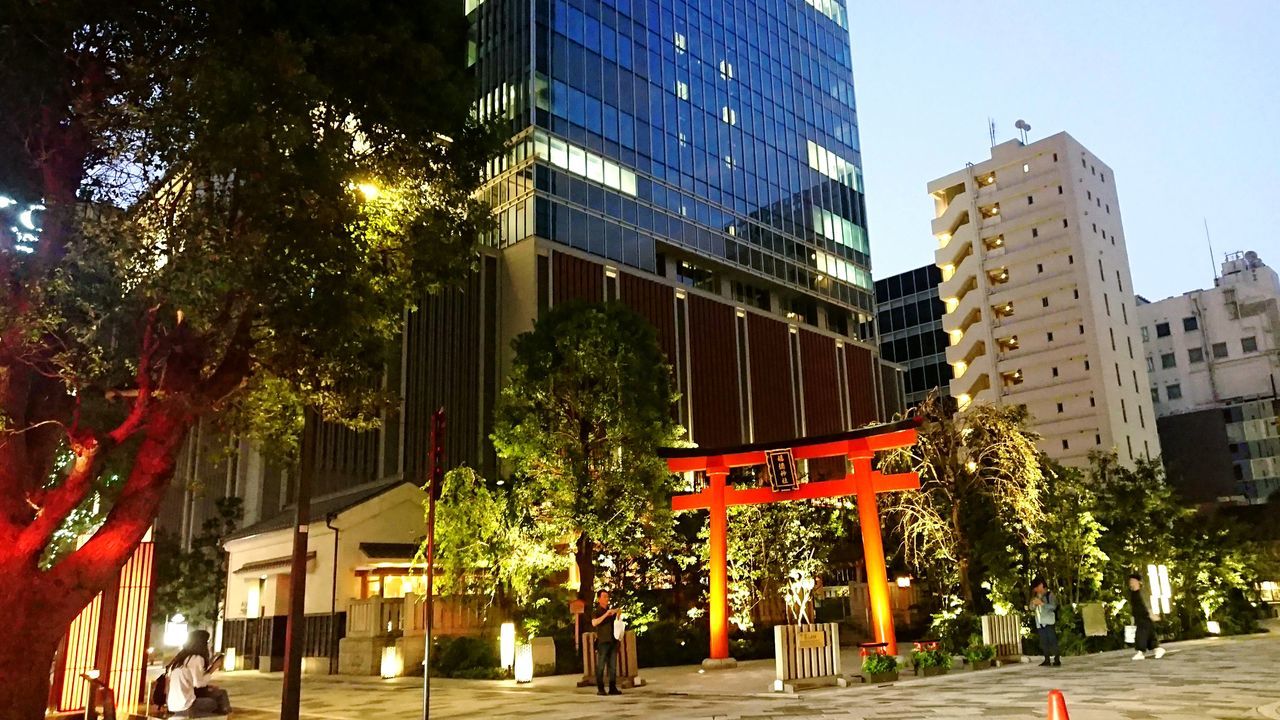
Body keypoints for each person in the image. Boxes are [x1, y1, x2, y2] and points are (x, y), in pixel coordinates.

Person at [165, 630, 232, 717]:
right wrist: (213, 668)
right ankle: (225, 716)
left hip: (173, 701)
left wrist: (208, 686)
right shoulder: (196, 658)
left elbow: (190, 679)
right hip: (188, 699)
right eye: (208, 642)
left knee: (219, 695)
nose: (209, 644)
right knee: (217, 700)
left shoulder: (180, 659)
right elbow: (198, 683)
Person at [590, 589, 622, 696]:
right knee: (601, 666)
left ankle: (612, 687)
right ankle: (601, 688)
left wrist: (617, 613)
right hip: (603, 642)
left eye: (607, 597)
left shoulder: (610, 611)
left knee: (613, 666)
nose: (606, 599)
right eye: (604, 597)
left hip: (612, 641)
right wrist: (606, 615)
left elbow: (617, 622)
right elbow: (594, 623)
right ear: (599, 599)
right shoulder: (596, 611)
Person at [1128, 573, 1166, 660]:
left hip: (1145, 616)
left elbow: (1147, 603)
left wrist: (1152, 614)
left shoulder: (1143, 592)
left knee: (1141, 634)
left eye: (1133, 581)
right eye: (1130, 581)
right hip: (1139, 617)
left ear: (1138, 582)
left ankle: (1140, 652)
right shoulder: (1133, 594)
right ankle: (1157, 649)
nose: (1131, 583)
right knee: (1149, 635)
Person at [1028, 578, 1061, 667]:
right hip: (1039, 622)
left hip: (1049, 621)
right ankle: (1046, 659)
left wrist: (1042, 604)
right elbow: (1031, 608)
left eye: (1036, 587)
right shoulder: (1036, 596)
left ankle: (1057, 659)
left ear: (1041, 585)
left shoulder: (1050, 595)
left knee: (1052, 640)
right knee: (1043, 642)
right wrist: (1034, 603)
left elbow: (1053, 606)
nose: (1035, 590)